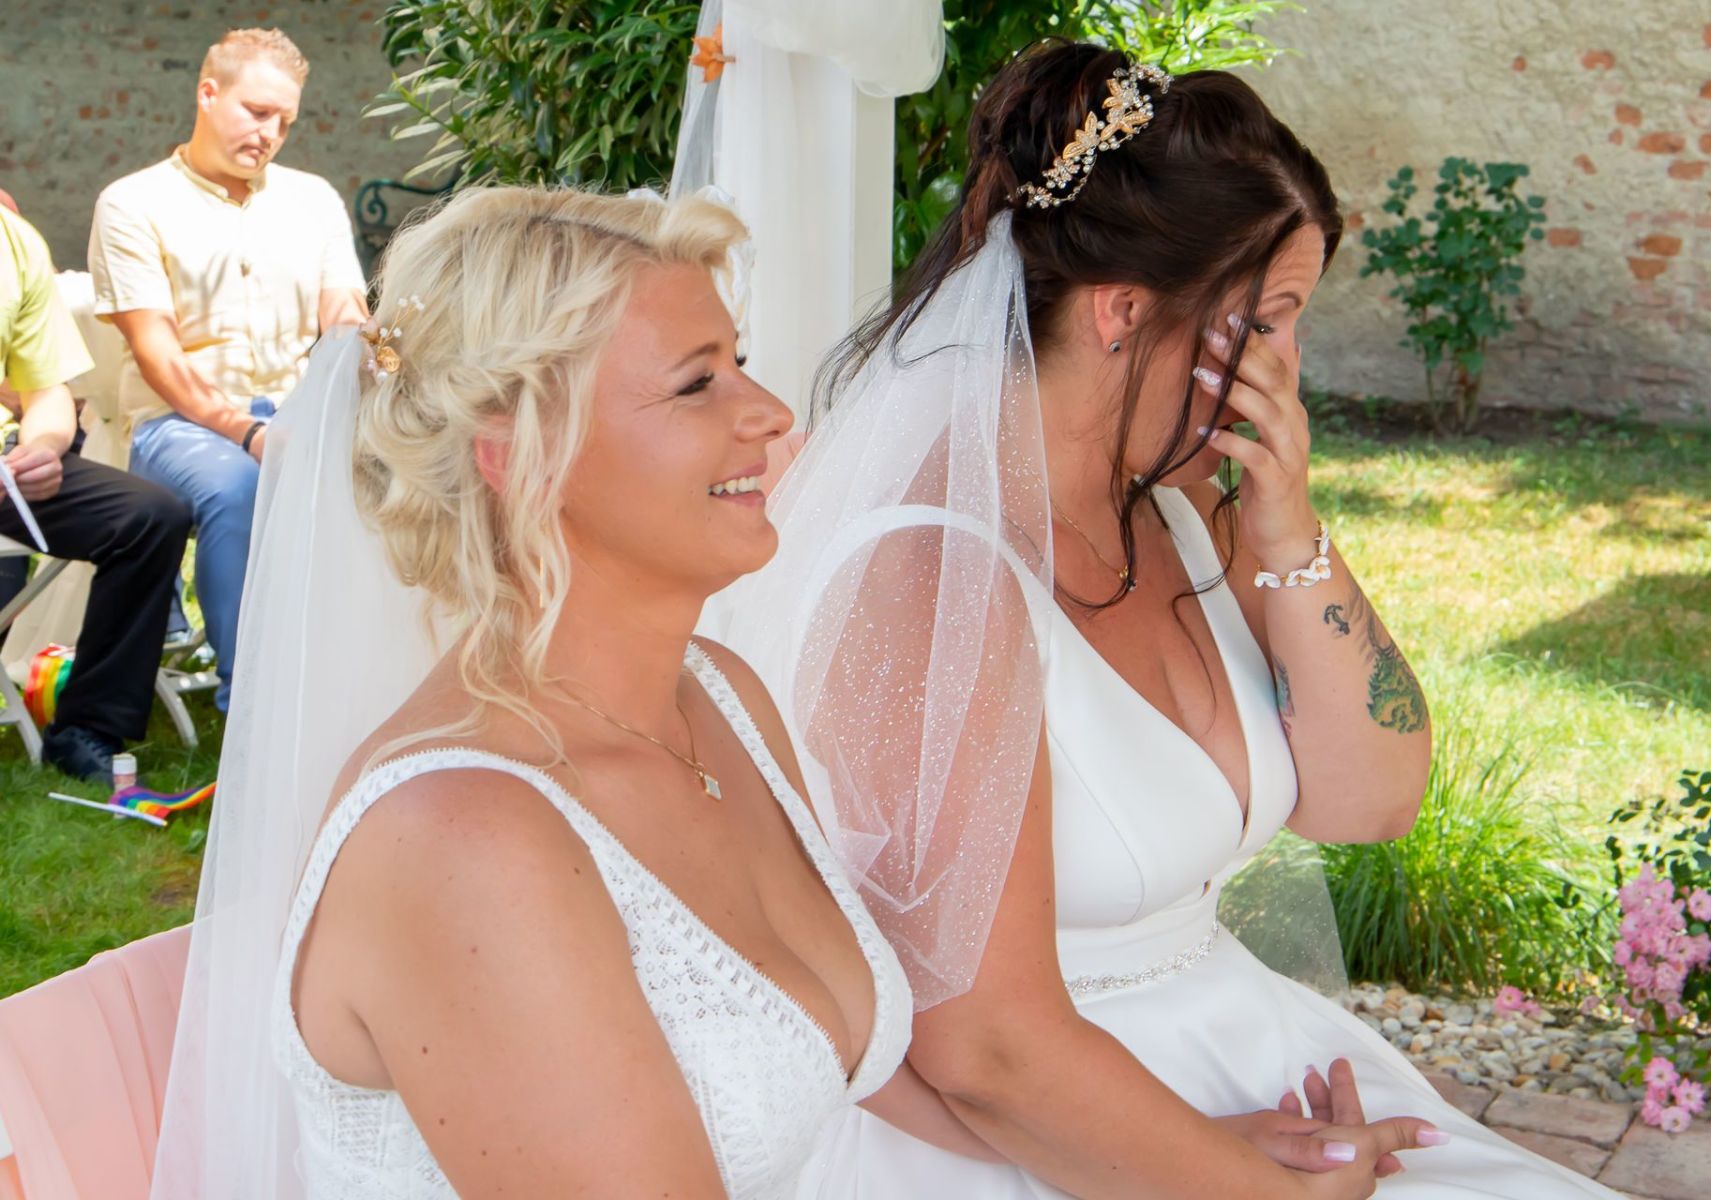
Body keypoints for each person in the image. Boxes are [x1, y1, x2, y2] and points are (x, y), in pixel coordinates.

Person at [718, 41, 1625, 1198]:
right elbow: (984, 1049)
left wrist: (1291, 530)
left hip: (1236, 1048)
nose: (1290, 365)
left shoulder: (1192, 514)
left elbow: (1370, 802)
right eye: (1273, 319)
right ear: (1123, 313)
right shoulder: (932, 577)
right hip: (1041, 1131)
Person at [146, 186, 1033, 1199]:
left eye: (738, 360)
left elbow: (844, 1050)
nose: (771, 411)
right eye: (697, 383)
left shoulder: (719, 701)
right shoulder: (461, 840)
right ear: (524, 459)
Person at [88, 27, 368, 711]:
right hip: (176, 427)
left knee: (408, 475)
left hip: (295, 413)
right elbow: (157, 355)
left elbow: (346, 320)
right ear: (208, 94)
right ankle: (253, 706)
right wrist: (249, 433)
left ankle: (363, 690)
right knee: (240, 487)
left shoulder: (313, 199)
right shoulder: (132, 202)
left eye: (285, 121)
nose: (271, 134)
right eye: (257, 111)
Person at [0, 203, 189, 783]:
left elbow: (46, 391)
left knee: (150, 516)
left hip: (5, 463)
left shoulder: (13, 239)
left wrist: (43, 447)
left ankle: (87, 728)